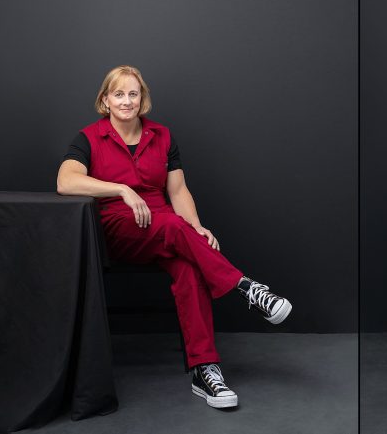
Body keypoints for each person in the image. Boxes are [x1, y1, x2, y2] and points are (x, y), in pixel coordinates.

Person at [57, 65, 292, 409]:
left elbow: (178, 191)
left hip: (170, 230)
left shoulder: (162, 136)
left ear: (142, 98)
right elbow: (65, 181)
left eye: (133, 94)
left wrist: (195, 227)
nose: (126, 101)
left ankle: (204, 371)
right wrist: (121, 189)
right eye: (118, 94)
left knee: (190, 268)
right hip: (120, 231)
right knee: (173, 228)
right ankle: (246, 288)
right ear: (105, 100)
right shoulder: (89, 137)